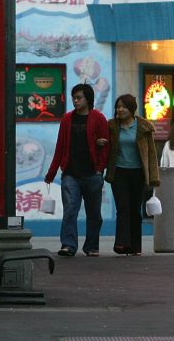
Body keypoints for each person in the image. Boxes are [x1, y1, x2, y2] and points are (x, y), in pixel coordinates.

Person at [44, 83, 110, 257]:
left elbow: (106, 147)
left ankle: (91, 246)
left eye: (79, 97)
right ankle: (68, 245)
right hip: (71, 173)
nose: (76, 100)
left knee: (94, 213)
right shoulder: (67, 119)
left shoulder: (99, 118)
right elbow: (60, 147)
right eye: (74, 97)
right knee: (70, 210)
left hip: (92, 173)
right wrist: (52, 172)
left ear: (88, 99)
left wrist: (100, 170)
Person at [106, 94, 160, 256]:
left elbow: (151, 153)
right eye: (118, 106)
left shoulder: (144, 127)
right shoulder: (111, 127)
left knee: (135, 210)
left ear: (131, 109)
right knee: (123, 208)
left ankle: (135, 246)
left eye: (123, 106)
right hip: (119, 172)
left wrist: (153, 177)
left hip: (138, 173)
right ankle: (122, 243)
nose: (120, 109)